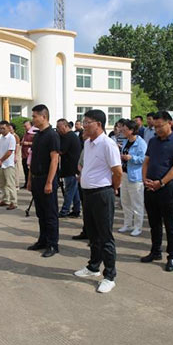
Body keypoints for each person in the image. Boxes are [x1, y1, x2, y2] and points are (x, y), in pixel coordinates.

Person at [73, 109, 122, 292]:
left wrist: (113, 188)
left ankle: (109, 276)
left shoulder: (108, 144)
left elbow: (117, 171)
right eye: (84, 122)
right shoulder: (88, 143)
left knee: (105, 236)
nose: (84, 126)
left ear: (98, 124)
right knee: (93, 234)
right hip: (88, 193)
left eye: (87, 122)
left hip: (102, 193)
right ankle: (93, 267)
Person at [140, 111, 173, 272]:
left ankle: (172, 256)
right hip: (150, 186)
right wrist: (145, 179)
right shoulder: (153, 141)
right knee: (154, 223)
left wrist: (161, 183)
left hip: (166, 188)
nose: (157, 130)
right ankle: (155, 251)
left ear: (170, 123)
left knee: (169, 224)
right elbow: (146, 162)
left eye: (160, 126)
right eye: (155, 127)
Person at [27, 104, 61, 258]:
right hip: (36, 178)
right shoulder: (38, 135)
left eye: (35, 116)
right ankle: (43, 240)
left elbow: (54, 160)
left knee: (50, 214)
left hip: (46, 178)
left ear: (44, 117)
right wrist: (29, 179)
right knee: (40, 213)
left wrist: (49, 182)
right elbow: (33, 158)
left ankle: (53, 244)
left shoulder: (52, 135)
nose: (33, 119)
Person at [118, 120, 147, 236]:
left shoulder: (141, 143)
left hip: (135, 176)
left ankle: (138, 226)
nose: (123, 131)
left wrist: (131, 158)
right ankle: (127, 224)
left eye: (125, 129)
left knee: (137, 203)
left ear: (132, 130)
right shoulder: (126, 141)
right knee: (125, 201)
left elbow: (143, 159)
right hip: (125, 173)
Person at [56, 119, 81, 218]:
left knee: (69, 191)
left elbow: (61, 150)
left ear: (65, 126)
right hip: (71, 168)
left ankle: (64, 210)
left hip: (71, 168)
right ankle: (76, 210)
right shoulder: (71, 136)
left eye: (59, 127)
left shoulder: (68, 137)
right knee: (74, 191)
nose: (58, 129)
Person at [0, 121, 18, 210]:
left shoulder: (11, 138)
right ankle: (5, 199)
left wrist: (1, 160)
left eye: (3, 128)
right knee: (2, 184)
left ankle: (14, 202)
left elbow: (10, 151)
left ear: (8, 128)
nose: (2, 130)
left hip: (8, 164)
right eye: (0, 128)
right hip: (1, 164)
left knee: (10, 184)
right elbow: (0, 150)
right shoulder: (1, 138)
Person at [20, 120, 36, 189]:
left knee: (29, 170)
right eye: (24, 126)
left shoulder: (33, 133)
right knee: (25, 170)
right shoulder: (26, 133)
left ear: (30, 125)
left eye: (26, 126)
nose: (25, 127)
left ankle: (31, 183)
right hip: (24, 154)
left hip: (29, 155)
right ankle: (26, 183)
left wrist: (28, 143)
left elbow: (36, 143)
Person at [9, 122, 21, 189]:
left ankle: (16, 184)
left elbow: (17, 146)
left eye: (10, 129)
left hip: (15, 154)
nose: (9, 130)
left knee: (16, 170)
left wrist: (16, 156)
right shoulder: (9, 136)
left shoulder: (15, 136)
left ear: (13, 129)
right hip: (10, 155)